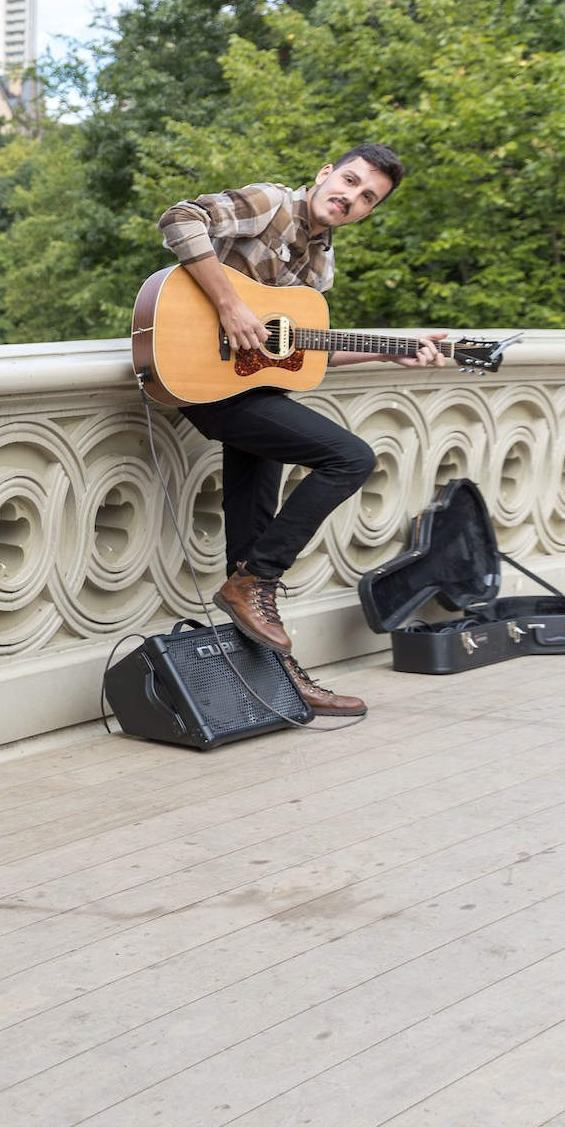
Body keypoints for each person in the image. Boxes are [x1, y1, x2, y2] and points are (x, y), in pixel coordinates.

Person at [159, 144, 445, 719]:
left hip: (252, 386)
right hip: (196, 372)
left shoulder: (321, 268)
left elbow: (301, 354)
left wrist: (387, 354)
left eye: (368, 197)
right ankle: (258, 580)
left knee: (249, 540)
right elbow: (178, 219)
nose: (352, 197)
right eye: (349, 181)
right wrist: (230, 305)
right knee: (350, 458)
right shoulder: (270, 204)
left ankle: (276, 680)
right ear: (325, 175)